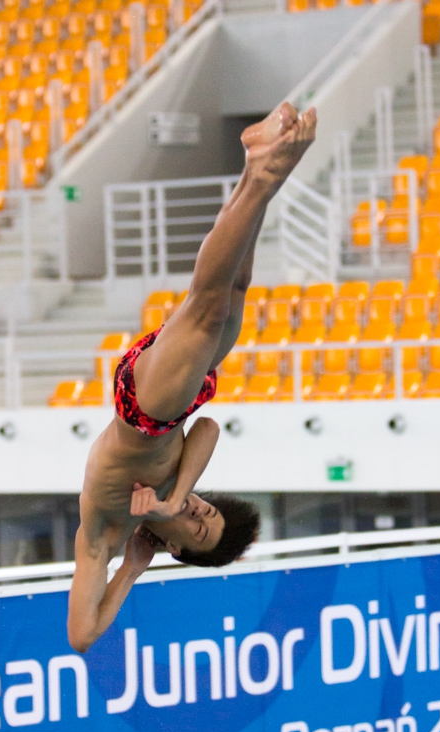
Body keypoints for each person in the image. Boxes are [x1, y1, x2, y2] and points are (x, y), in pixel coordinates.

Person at [68, 102, 317, 653]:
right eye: (209, 509)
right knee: (234, 291)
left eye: (199, 527)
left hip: (147, 409)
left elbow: (81, 637)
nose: (200, 511)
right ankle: (257, 174)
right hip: (178, 402)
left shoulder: (108, 533)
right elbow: (207, 430)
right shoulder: (175, 490)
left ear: (178, 551)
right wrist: (176, 495)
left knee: (207, 305)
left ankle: (263, 173)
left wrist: (130, 569)